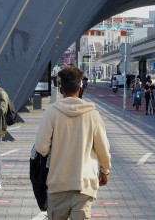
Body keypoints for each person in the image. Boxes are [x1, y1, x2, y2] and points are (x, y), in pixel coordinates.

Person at [35, 66, 111, 220]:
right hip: (83, 185)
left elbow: (41, 148)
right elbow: (103, 149)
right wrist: (105, 171)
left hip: (57, 184)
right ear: (80, 88)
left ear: (61, 89)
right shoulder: (93, 115)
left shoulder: (51, 113)